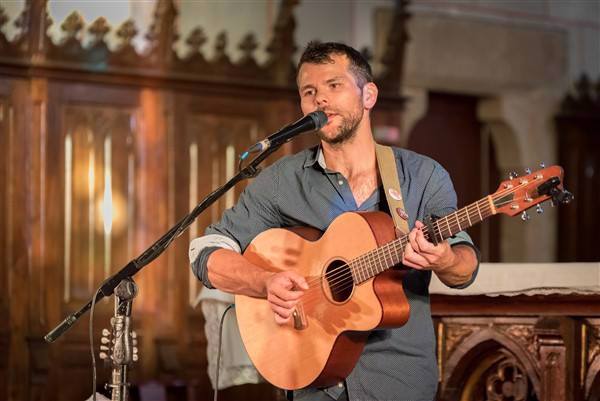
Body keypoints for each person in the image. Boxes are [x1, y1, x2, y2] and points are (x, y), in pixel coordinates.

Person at [189, 41, 479, 401]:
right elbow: (206, 249)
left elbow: (464, 265)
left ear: (368, 95)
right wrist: (264, 282)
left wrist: (446, 260)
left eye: (334, 85)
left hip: (396, 382)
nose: (320, 100)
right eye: (309, 91)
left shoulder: (422, 175)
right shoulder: (283, 181)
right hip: (313, 383)